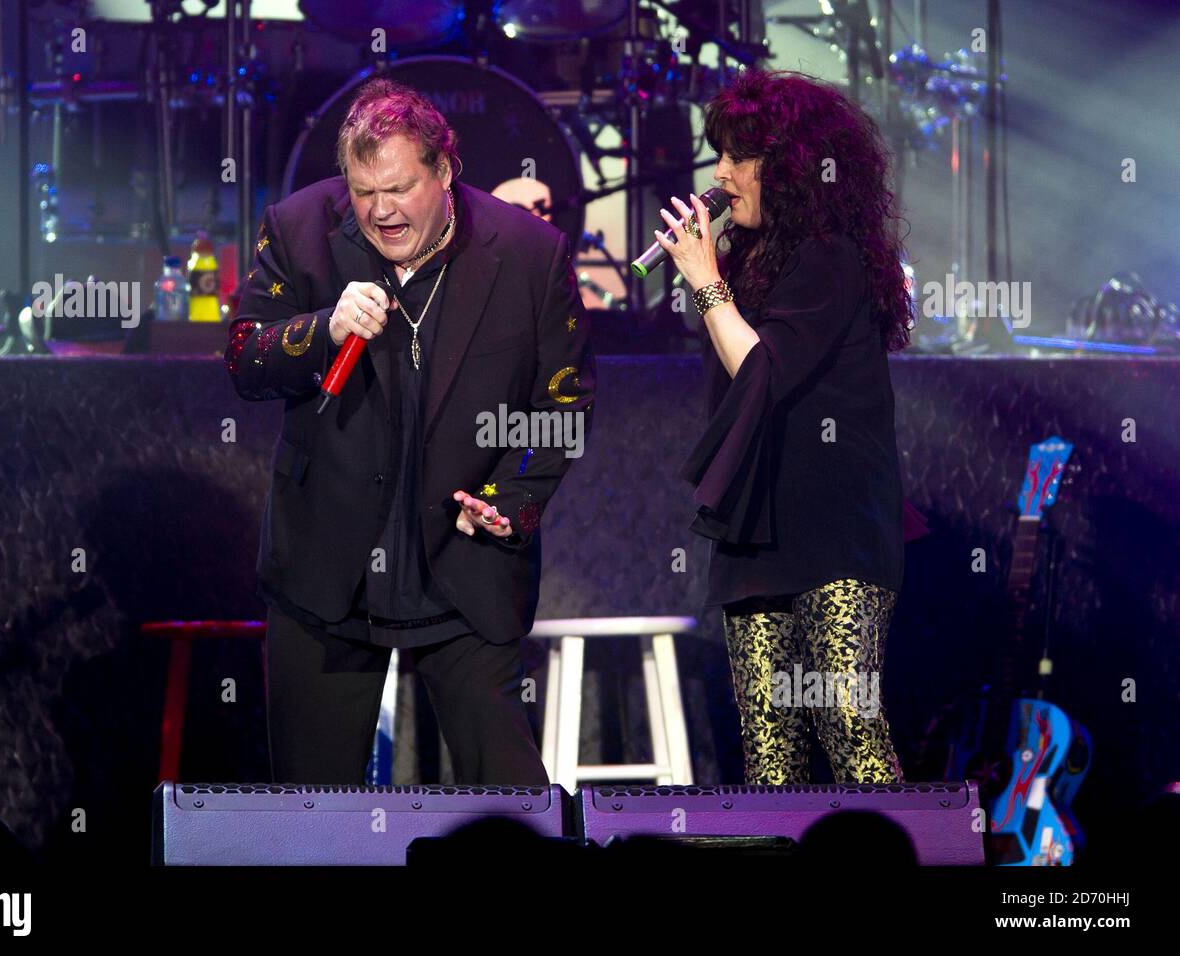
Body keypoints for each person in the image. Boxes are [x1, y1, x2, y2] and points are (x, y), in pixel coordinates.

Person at [225, 78, 595, 786]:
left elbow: (566, 400)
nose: (381, 211)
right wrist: (320, 331)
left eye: (398, 188)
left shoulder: (527, 252)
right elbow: (244, 358)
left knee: (511, 796)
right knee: (312, 817)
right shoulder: (301, 227)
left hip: (462, 568)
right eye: (363, 191)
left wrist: (513, 498)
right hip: (329, 572)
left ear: (445, 171)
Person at [654, 70, 913, 785]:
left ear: (794, 168)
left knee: (848, 723)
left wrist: (706, 283)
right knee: (769, 752)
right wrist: (715, 279)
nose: (721, 174)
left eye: (740, 157)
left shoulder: (830, 256)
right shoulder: (749, 261)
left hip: (834, 526)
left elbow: (762, 370)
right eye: (719, 155)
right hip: (755, 525)